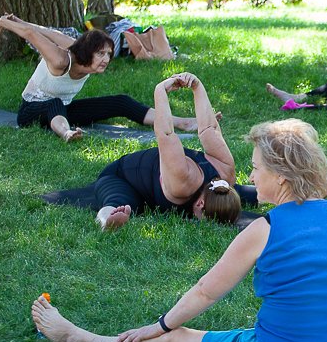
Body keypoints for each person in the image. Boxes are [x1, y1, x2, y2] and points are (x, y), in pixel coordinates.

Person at [32, 118, 327, 342]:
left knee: (180, 340)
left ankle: (81, 339)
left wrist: (161, 326)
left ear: (281, 175)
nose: (251, 177)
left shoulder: (263, 229)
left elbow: (207, 291)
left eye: (257, 168)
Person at [0, 14, 202, 142]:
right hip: (30, 111)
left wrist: (21, 19)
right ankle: (66, 133)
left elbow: (46, 31)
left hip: (62, 107)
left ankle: (182, 123)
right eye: (101, 54)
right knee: (55, 103)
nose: (106, 59)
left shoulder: (76, 44)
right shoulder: (61, 60)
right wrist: (5, 22)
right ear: (88, 52)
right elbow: (31, 35)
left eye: (108, 54)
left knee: (120, 102)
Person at [91, 73, 243, 230]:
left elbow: (209, 128)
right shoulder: (182, 179)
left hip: (159, 183)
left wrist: (197, 88)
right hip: (123, 177)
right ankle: (106, 220)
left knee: (244, 195)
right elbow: (166, 134)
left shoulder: (224, 182)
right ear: (200, 203)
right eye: (202, 220)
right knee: (119, 202)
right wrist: (161, 90)